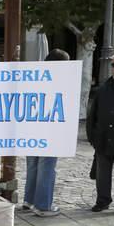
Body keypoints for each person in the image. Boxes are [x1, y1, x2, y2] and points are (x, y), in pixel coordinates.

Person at [21, 48, 70, 217]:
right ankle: (43, 205)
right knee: (47, 166)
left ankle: (29, 200)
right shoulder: (61, 80)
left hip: (31, 127)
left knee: (33, 164)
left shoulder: (35, 77)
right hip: (50, 128)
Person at [86, 51, 114, 214]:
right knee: (102, 175)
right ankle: (102, 201)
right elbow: (91, 116)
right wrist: (93, 137)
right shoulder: (103, 89)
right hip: (103, 140)